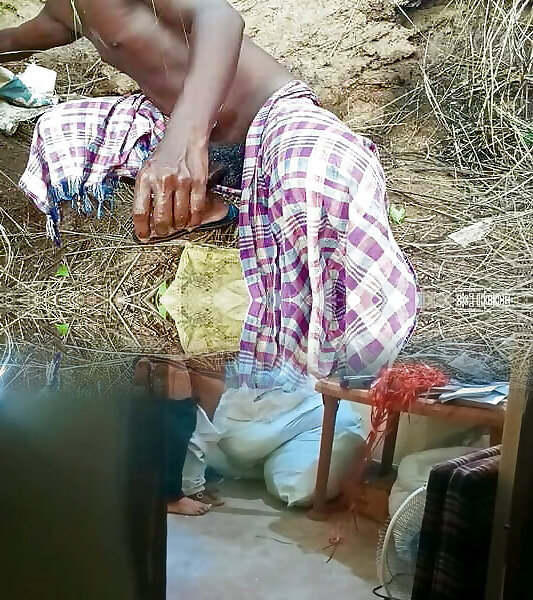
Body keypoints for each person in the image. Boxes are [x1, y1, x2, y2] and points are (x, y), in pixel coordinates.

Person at [1, 0, 420, 384]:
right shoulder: (65, 8)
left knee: (316, 170)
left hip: (268, 119)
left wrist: (184, 138)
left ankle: (361, 339)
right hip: (182, 134)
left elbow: (220, 18)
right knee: (60, 128)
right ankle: (211, 207)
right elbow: (18, 38)